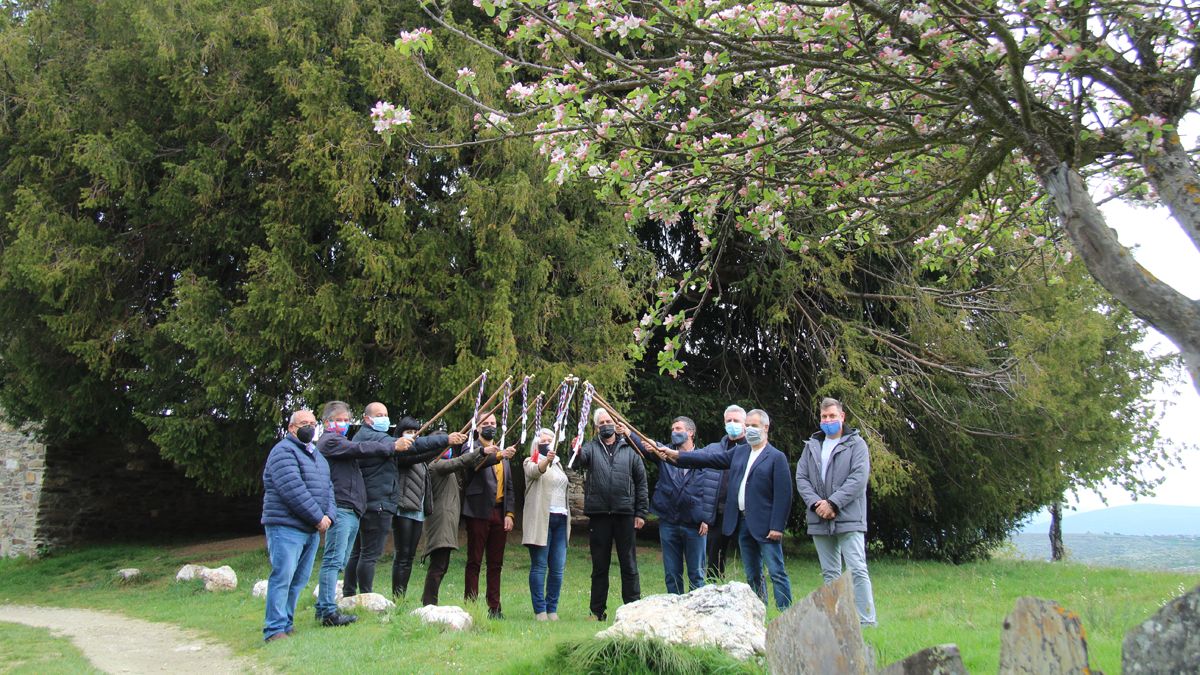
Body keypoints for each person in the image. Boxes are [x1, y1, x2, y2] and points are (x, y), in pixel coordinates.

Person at [661, 408, 793, 609]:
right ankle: (759, 610)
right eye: (747, 426)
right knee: (752, 572)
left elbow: (784, 495)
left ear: (766, 428)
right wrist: (677, 455)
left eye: (753, 426)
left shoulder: (776, 457)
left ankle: (785, 612)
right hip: (743, 522)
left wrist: (777, 526)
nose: (749, 430)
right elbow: (708, 459)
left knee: (776, 570)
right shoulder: (740, 452)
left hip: (766, 525)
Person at [347, 406, 463, 598]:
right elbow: (414, 449)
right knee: (368, 553)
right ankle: (361, 597)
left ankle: (357, 594)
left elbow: (418, 454)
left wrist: (440, 446)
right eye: (379, 416)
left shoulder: (376, 439)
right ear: (366, 419)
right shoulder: (380, 440)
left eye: (385, 415)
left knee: (365, 552)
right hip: (380, 503)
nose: (383, 418)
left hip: (388, 504)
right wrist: (445, 439)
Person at [313, 401, 408, 625]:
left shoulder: (341, 440)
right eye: (339, 420)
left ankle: (325, 608)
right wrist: (392, 446)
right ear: (327, 423)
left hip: (352, 508)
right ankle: (327, 612)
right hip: (342, 507)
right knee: (333, 561)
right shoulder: (330, 441)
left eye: (347, 420)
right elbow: (361, 449)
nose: (344, 424)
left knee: (343, 559)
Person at [795, 397, 877, 626]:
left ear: (842, 417)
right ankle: (837, 621)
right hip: (819, 518)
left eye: (832, 416)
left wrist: (833, 503)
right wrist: (816, 504)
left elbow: (858, 479)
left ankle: (866, 621)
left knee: (857, 569)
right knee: (830, 574)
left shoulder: (856, 444)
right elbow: (801, 478)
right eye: (824, 417)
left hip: (848, 517)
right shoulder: (811, 446)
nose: (828, 420)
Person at [260, 409, 334, 642]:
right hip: (286, 526)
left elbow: (329, 488)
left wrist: (330, 515)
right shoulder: (282, 452)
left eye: (313, 423)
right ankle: (274, 629)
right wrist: (317, 517)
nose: (310, 427)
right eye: (304, 423)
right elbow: (292, 490)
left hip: (310, 529)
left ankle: (287, 623)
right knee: (283, 576)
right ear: (292, 428)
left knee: (299, 580)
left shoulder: (316, 455)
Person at [574, 407, 649, 621]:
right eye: (601, 422)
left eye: (609, 421)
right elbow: (581, 459)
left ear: (616, 424)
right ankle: (597, 611)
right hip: (599, 514)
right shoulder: (590, 447)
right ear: (597, 427)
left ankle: (633, 609)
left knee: (629, 563)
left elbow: (641, 483)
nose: (606, 425)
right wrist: (577, 449)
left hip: (625, 513)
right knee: (600, 565)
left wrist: (641, 513)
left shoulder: (630, 449)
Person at [642, 416, 719, 594]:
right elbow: (644, 445)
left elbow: (711, 490)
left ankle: (696, 613)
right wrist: (629, 432)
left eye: (678, 429)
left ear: (690, 432)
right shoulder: (664, 453)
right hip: (669, 522)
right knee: (671, 573)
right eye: (672, 429)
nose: (673, 432)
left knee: (697, 574)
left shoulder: (704, 458)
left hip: (695, 524)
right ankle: (674, 612)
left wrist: (706, 518)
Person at [421, 433, 498, 606]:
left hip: (447, 521)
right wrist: (482, 451)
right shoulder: (436, 465)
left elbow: (467, 467)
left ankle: (429, 600)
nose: (448, 451)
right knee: (438, 565)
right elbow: (461, 461)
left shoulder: (448, 470)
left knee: (441, 565)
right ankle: (429, 603)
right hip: (440, 521)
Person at [461, 413, 516, 618]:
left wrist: (509, 513)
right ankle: (471, 606)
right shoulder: (471, 447)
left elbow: (509, 486)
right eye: (486, 424)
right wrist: (497, 455)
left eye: (493, 423)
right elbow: (475, 464)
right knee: (474, 561)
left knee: (496, 563)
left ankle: (494, 607)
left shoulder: (502, 451)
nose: (490, 427)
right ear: (477, 427)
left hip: (499, 512)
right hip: (477, 511)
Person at [522, 428, 571, 620]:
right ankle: (540, 610)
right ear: (537, 444)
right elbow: (536, 472)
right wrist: (546, 460)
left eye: (551, 440)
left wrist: (552, 461)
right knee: (540, 566)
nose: (548, 442)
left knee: (557, 568)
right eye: (544, 440)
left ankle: (552, 608)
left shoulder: (558, 465)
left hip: (561, 519)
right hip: (542, 520)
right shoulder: (530, 461)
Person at [702, 405, 747, 581]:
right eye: (729, 420)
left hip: (744, 513)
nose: (732, 424)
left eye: (736, 421)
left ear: (745, 424)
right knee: (714, 559)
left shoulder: (752, 448)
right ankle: (713, 592)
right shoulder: (713, 449)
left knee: (751, 557)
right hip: (718, 512)